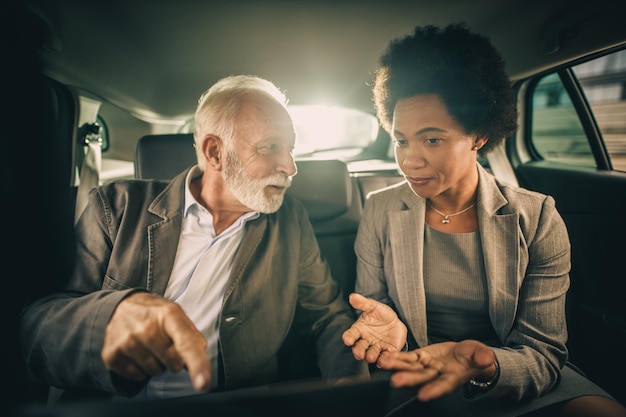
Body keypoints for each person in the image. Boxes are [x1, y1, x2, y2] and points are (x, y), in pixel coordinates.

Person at [18, 74, 406, 403]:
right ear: (215, 152)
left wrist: (347, 390)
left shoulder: (290, 220)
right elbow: (36, 325)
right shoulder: (117, 206)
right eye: (270, 147)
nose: (290, 166)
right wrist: (109, 319)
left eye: (289, 147)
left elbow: (326, 318)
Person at [341, 23, 626, 416]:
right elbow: (376, 314)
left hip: (514, 374)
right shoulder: (380, 210)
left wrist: (490, 366)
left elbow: (542, 355)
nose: (409, 160)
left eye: (433, 139)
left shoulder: (537, 216)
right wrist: (398, 340)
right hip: (420, 375)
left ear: (477, 135)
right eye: (401, 139)